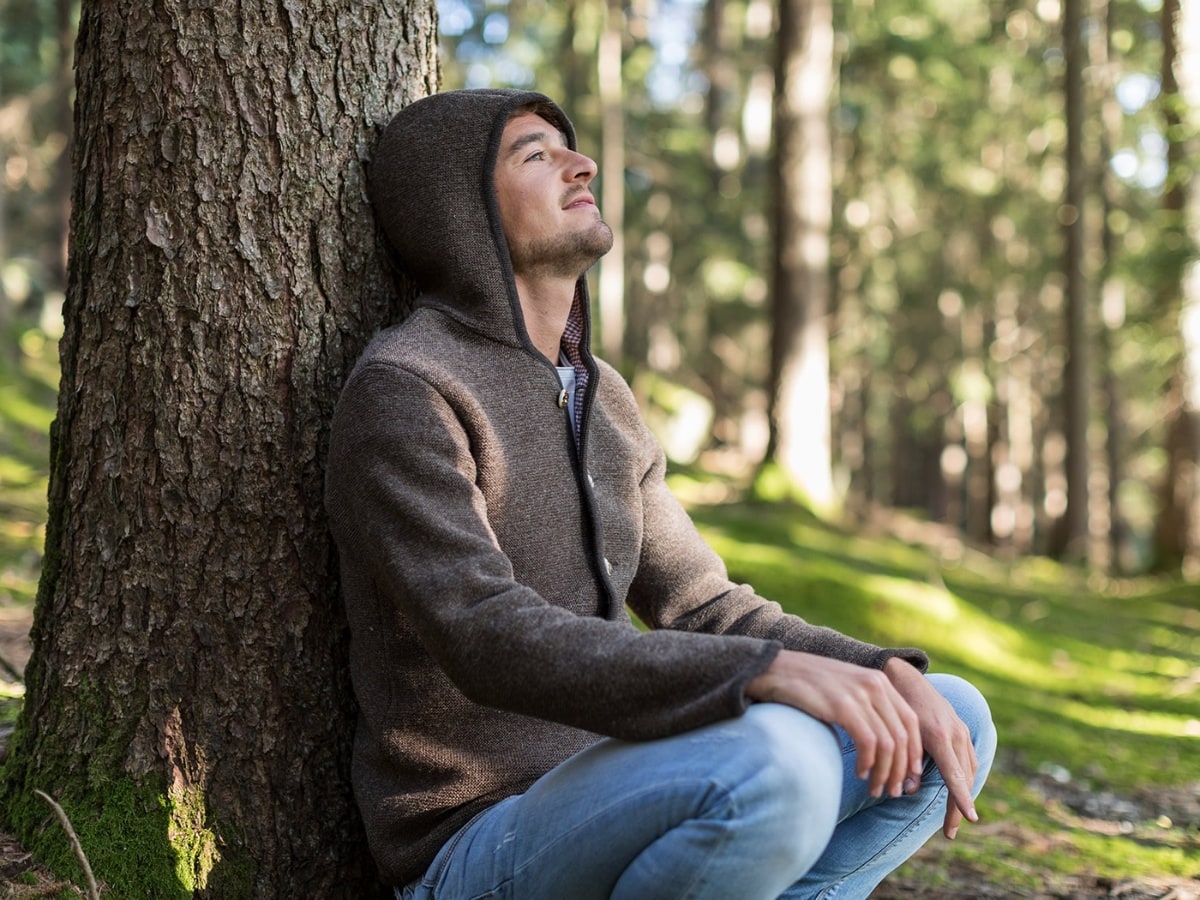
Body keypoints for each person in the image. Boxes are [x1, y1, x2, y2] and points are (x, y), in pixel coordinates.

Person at [324, 87, 996, 900]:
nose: (582, 165)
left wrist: (879, 667)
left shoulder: (601, 396)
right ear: (458, 212)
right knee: (772, 772)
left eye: (567, 148)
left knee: (951, 714)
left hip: (623, 794)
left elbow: (707, 606)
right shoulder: (410, 388)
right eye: (535, 156)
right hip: (474, 841)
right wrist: (761, 674)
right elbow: (483, 633)